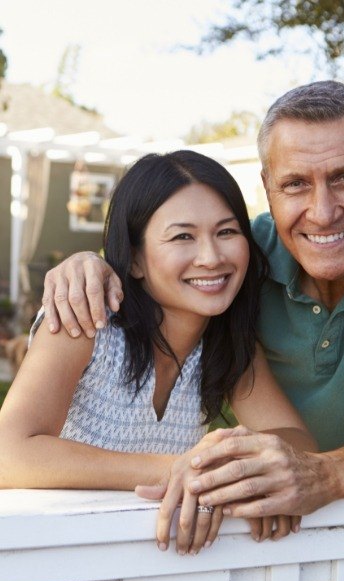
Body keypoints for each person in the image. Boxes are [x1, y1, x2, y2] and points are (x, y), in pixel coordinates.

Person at [40, 82, 344, 581]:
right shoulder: (239, 260)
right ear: (268, 190)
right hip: (271, 562)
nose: (322, 212)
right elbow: (159, 257)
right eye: (295, 184)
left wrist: (321, 473)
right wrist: (86, 265)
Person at [0, 150, 316, 558]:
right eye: (182, 236)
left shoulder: (227, 344)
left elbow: (299, 445)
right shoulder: (86, 320)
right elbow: (9, 452)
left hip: (155, 574)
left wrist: (227, 463)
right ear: (134, 258)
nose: (211, 257)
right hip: (54, 569)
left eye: (226, 232)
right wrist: (185, 469)